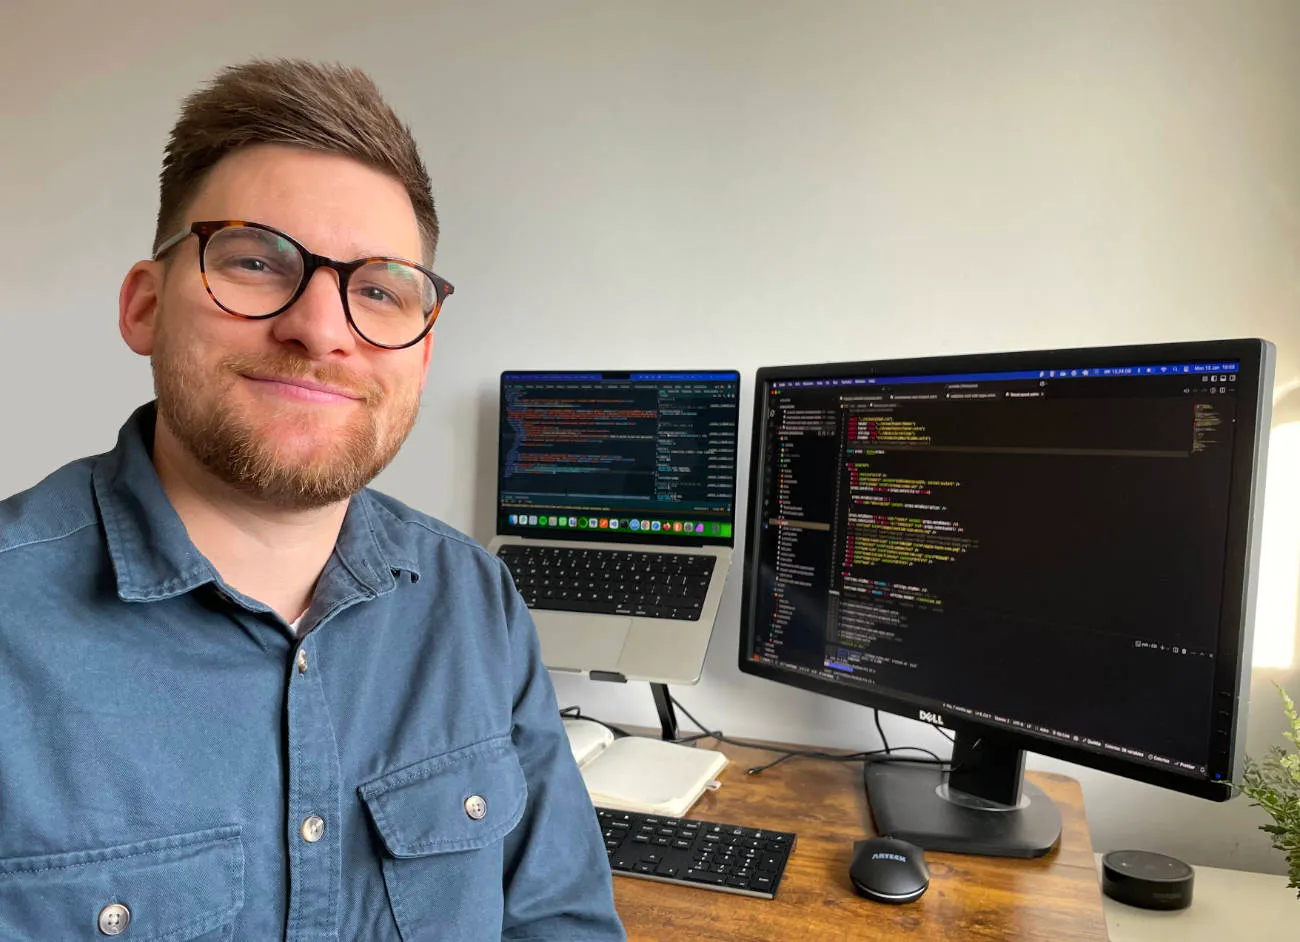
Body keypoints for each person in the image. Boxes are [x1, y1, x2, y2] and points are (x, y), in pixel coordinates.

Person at [0, 59, 625, 941]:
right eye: (256, 261)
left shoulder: (475, 601)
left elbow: (559, 922)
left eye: (378, 290)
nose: (322, 329)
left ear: (421, 356)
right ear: (145, 306)